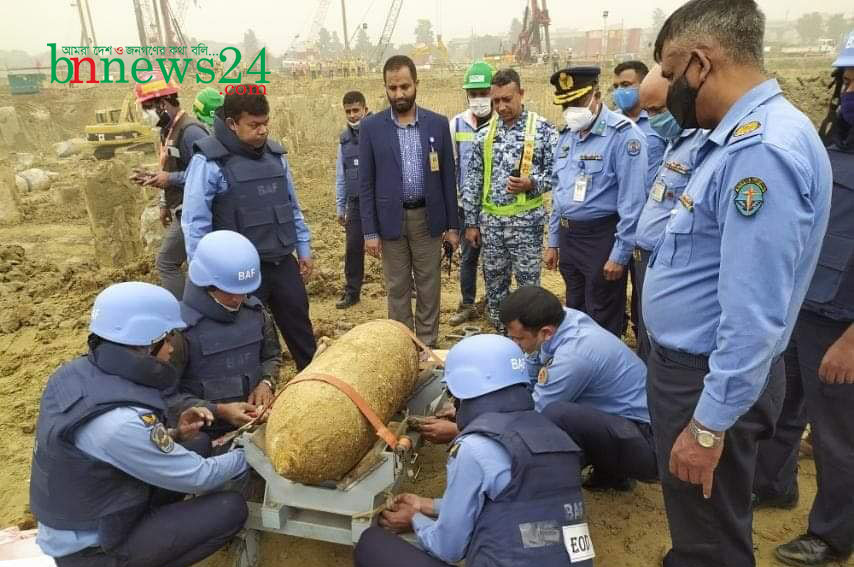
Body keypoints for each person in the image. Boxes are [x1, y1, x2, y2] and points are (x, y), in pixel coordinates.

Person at [644, 2, 832, 566]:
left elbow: (754, 315)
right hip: (704, 374)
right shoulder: (743, 138)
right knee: (708, 517)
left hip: (707, 380)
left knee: (708, 535)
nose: (670, 90)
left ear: (701, 64)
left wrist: (706, 427)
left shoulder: (761, 154)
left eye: (673, 75)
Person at [30, 282, 248, 567]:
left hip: (96, 506)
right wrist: (250, 453)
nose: (171, 349)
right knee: (230, 508)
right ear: (143, 344)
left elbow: (104, 449)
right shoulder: (117, 423)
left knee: (197, 442)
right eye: (167, 339)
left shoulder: (76, 374)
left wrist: (175, 434)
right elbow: (200, 476)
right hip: (95, 550)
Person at [353, 334, 592, 567]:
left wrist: (415, 519)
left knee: (371, 544)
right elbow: (520, 505)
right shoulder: (557, 437)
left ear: (465, 389)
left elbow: (449, 548)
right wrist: (426, 505)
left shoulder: (475, 449)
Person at [755, 37, 854, 567]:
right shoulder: (830, 143)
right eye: (850, 80)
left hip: (843, 325)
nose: (852, 93)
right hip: (803, 306)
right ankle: (774, 485)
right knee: (783, 407)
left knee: (838, 438)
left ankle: (834, 536)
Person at [182, 89, 317, 370]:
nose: (262, 131)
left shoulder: (276, 156)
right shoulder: (209, 162)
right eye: (253, 125)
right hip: (238, 274)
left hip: (281, 262)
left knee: (301, 331)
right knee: (250, 338)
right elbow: (195, 224)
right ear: (232, 124)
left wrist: (303, 249)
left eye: (265, 123)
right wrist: (204, 276)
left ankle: (317, 388)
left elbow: (292, 206)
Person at [499, 285, 656, 491]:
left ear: (545, 332)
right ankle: (610, 474)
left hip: (647, 444)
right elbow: (529, 370)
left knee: (557, 414)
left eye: (519, 338)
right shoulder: (563, 320)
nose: (514, 344)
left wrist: (479, 425)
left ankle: (552, 488)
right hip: (624, 424)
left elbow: (536, 413)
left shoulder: (574, 356)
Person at [359, 55, 459, 348]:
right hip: (390, 221)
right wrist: (369, 232)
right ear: (385, 88)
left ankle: (426, 346)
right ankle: (403, 348)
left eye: (405, 86)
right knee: (397, 288)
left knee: (429, 287)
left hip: (427, 220)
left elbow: (448, 179)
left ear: (416, 83)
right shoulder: (371, 128)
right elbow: (365, 183)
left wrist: (453, 225)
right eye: (393, 88)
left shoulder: (437, 125)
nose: (399, 94)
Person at [545, 66, 648, 338]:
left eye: (577, 102)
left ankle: (605, 374)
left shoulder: (624, 135)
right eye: (565, 104)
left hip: (602, 237)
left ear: (597, 95)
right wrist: (554, 240)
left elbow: (633, 202)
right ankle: (581, 367)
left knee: (602, 313)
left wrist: (620, 253)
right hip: (570, 237)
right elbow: (560, 193)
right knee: (575, 310)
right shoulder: (566, 137)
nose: (570, 109)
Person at [460, 68, 558, 331]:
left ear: (521, 94)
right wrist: (471, 222)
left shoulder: (543, 130)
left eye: (507, 99)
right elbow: (473, 181)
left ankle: (531, 345)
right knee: (495, 288)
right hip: (491, 228)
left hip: (526, 227)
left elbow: (558, 176)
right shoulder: (485, 134)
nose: (501, 107)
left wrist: (532, 182)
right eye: (496, 101)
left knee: (528, 291)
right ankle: (502, 339)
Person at [168, 230, 281, 444]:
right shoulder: (178, 332)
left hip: (255, 424)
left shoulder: (256, 313)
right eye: (229, 290)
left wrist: (266, 382)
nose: (238, 298)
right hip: (203, 436)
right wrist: (219, 411)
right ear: (206, 283)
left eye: (243, 290)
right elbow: (165, 396)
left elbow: (271, 356)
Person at [632, 64, 705, 361]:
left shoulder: (701, 144)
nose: (653, 119)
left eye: (657, 110)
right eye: (648, 112)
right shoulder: (676, 143)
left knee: (659, 340)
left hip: (668, 259)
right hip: (646, 255)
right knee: (645, 332)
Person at [131, 69, 209, 300]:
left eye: (147, 108)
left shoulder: (191, 132)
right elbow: (170, 167)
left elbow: (207, 175)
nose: (145, 115)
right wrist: (164, 199)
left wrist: (169, 180)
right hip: (181, 207)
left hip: (195, 210)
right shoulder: (169, 130)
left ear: (163, 103)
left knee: (166, 262)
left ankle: (183, 315)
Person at [612, 61, 668, 349]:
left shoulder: (659, 122)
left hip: (649, 222)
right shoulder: (611, 126)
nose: (621, 91)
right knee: (612, 291)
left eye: (627, 84)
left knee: (645, 292)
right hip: (617, 223)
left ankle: (644, 345)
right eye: (616, 86)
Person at [447, 61, 494, 326]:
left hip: (496, 207)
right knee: (469, 257)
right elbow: (452, 167)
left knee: (496, 258)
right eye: (473, 94)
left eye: (483, 92)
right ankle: (467, 303)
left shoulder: (502, 122)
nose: (478, 99)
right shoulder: (457, 125)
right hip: (467, 206)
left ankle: (492, 301)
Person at [334, 90, 370, 309]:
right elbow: (341, 175)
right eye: (348, 111)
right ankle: (352, 292)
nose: (353, 115)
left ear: (365, 109)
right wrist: (341, 206)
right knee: (353, 247)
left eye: (356, 110)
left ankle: (408, 286)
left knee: (395, 246)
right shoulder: (344, 140)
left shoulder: (378, 132)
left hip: (379, 200)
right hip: (355, 203)